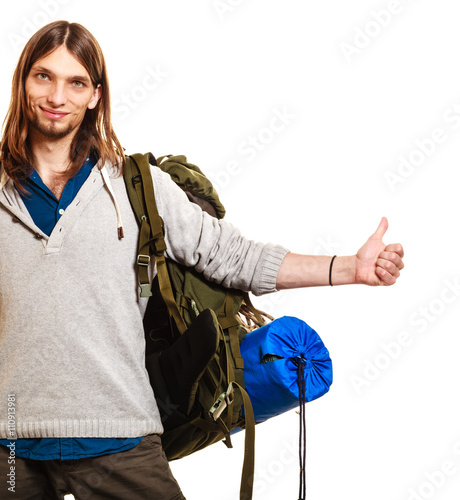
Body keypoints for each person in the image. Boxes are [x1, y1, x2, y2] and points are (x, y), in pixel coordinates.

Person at [0, 20, 404, 500]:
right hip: (10, 450)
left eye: (76, 82)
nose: (57, 95)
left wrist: (348, 268)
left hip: (120, 435)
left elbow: (233, 257)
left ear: (95, 96)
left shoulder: (137, 186)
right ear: (23, 81)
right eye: (43, 76)